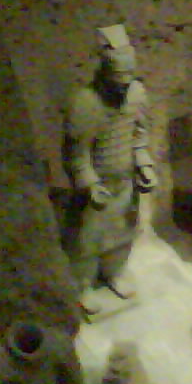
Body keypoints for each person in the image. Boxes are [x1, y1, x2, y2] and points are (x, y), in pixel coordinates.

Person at [60, 25, 155, 313]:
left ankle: (114, 272)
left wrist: (144, 165)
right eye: (118, 80)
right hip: (96, 190)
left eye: (128, 78)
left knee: (123, 233)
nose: (124, 86)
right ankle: (83, 285)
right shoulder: (85, 103)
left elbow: (139, 136)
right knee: (87, 241)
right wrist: (90, 185)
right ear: (104, 72)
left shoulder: (137, 95)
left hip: (125, 183)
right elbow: (76, 154)